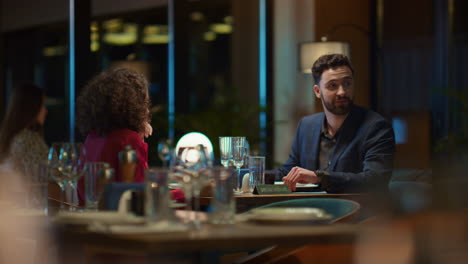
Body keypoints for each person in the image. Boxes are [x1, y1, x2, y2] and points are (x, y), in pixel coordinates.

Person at [278, 54, 395, 193]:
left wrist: (320, 178)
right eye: (333, 85)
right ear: (317, 91)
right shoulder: (306, 125)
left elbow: (375, 179)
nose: (342, 92)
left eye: (347, 83)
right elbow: (289, 170)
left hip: (359, 211)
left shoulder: (376, 127)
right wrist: (253, 174)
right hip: (311, 210)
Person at [76, 68, 183, 204]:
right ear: (134, 105)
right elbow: (140, 199)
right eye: (144, 103)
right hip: (119, 220)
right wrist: (187, 193)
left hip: (88, 219)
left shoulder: (92, 138)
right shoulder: (128, 140)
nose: (147, 110)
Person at [0, 83, 48, 180]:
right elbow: (46, 179)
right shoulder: (28, 140)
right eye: (42, 105)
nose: (45, 110)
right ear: (32, 107)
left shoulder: (10, 138)